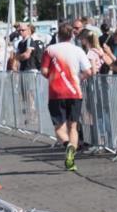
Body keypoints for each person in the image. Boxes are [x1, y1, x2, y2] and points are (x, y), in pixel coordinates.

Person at [40, 22, 94, 171]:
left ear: (58, 35)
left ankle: (67, 145)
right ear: (71, 35)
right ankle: (71, 159)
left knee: (59, 128)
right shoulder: (77, 50)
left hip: (56, 93)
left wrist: (53, 77)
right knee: (73, 127)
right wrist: (78, 78)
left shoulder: (50, 50)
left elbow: (44, 71)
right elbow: (89, 71)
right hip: (74, 92)